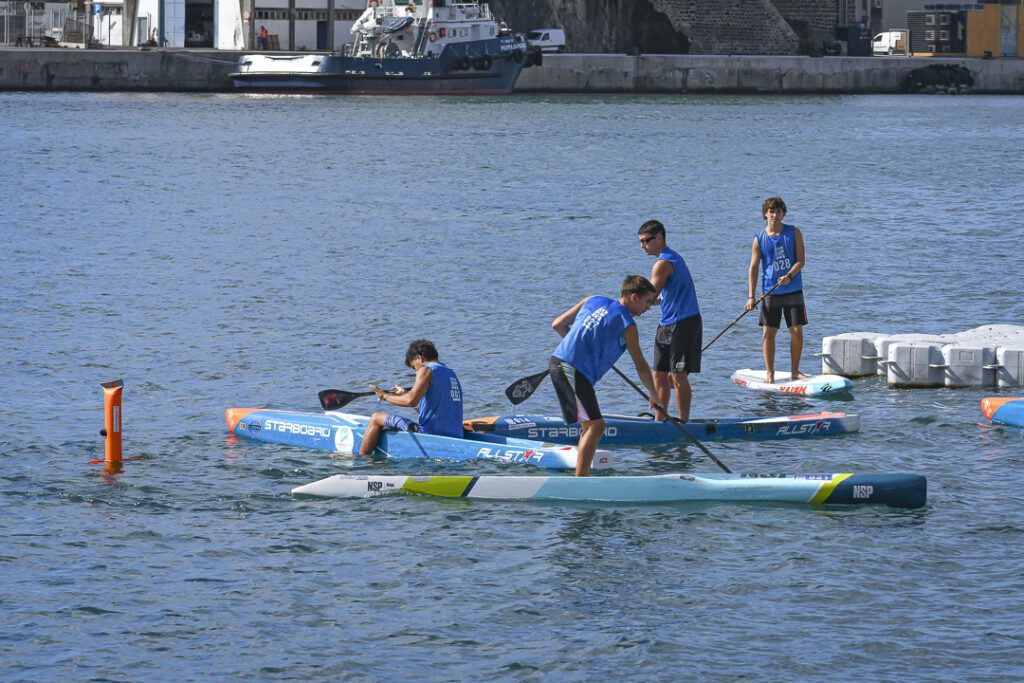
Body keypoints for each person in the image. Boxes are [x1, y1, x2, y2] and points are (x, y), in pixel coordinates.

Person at [549, 275, 659, 476]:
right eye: (647, 302)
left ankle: (581, 475)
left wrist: (585, 347)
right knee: (597, 427)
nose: (649, 308)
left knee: (589, 426)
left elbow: (558, 325)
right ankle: (581, 482)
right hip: (572, 370)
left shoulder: (593, 299)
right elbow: (641, 365)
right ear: (634, 297)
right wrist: (654, 394)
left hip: (560, 363)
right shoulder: (627, 325)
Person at [637, 219, 702, 422]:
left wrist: (626, 309)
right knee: (659, 375)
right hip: (666, 324)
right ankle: (660, 421)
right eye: (640, 241)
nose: (642, 245)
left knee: (677, 376)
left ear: (659, 238)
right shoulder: (665, 261)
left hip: (684, 323)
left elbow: (650, 296)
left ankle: (683, 423)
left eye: (646, 240)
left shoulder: (664, 263)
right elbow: (659, 297)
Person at [359, 339, 463, 455]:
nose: (416, 372)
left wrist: (384, 395)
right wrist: (403, 394)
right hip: (457, 435)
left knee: (375, 417)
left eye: (414, 367)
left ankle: (362, 460)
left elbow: (410, 400)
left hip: (430, 435)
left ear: (419, 358)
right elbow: (430, 410)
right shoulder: (451, 373)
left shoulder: (426, 369)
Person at [744, 196, 807, 384]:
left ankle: (795, 371)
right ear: (765, 214)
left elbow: (801, 261)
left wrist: (789, 276)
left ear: (783, 214)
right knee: (769, 332)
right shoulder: (759, 239)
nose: (775, 215)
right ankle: (770, 373)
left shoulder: (794, 232)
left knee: (796, 331)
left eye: (778, 212)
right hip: (770, 292)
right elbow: (753, 268)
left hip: (793, 290)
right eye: (771, 211)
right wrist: (751, 296)